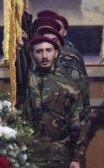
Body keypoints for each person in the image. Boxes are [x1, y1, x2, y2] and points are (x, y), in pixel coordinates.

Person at [17, 36, 85, 168]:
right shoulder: (25, 81)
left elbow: (77, 123)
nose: (44, 56)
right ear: (32, 54)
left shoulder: (69, 85)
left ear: (56, 53)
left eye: (48, 50)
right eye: (39, 51)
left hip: (59, 152)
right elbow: (19, 65)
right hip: (30, 151)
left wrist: (76, 157)